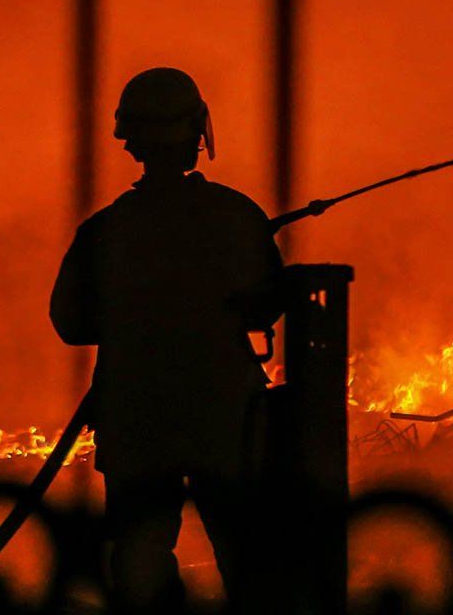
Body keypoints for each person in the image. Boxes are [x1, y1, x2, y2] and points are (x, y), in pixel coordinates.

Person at [49, 67, 283, 612]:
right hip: (224, 419)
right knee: (247, 559)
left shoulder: (105, 231)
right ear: (199, 133)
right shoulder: (235, 216)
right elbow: (269, 302)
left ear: (129, 139)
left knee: (139, 563)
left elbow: (71, 323)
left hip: (137, 419)